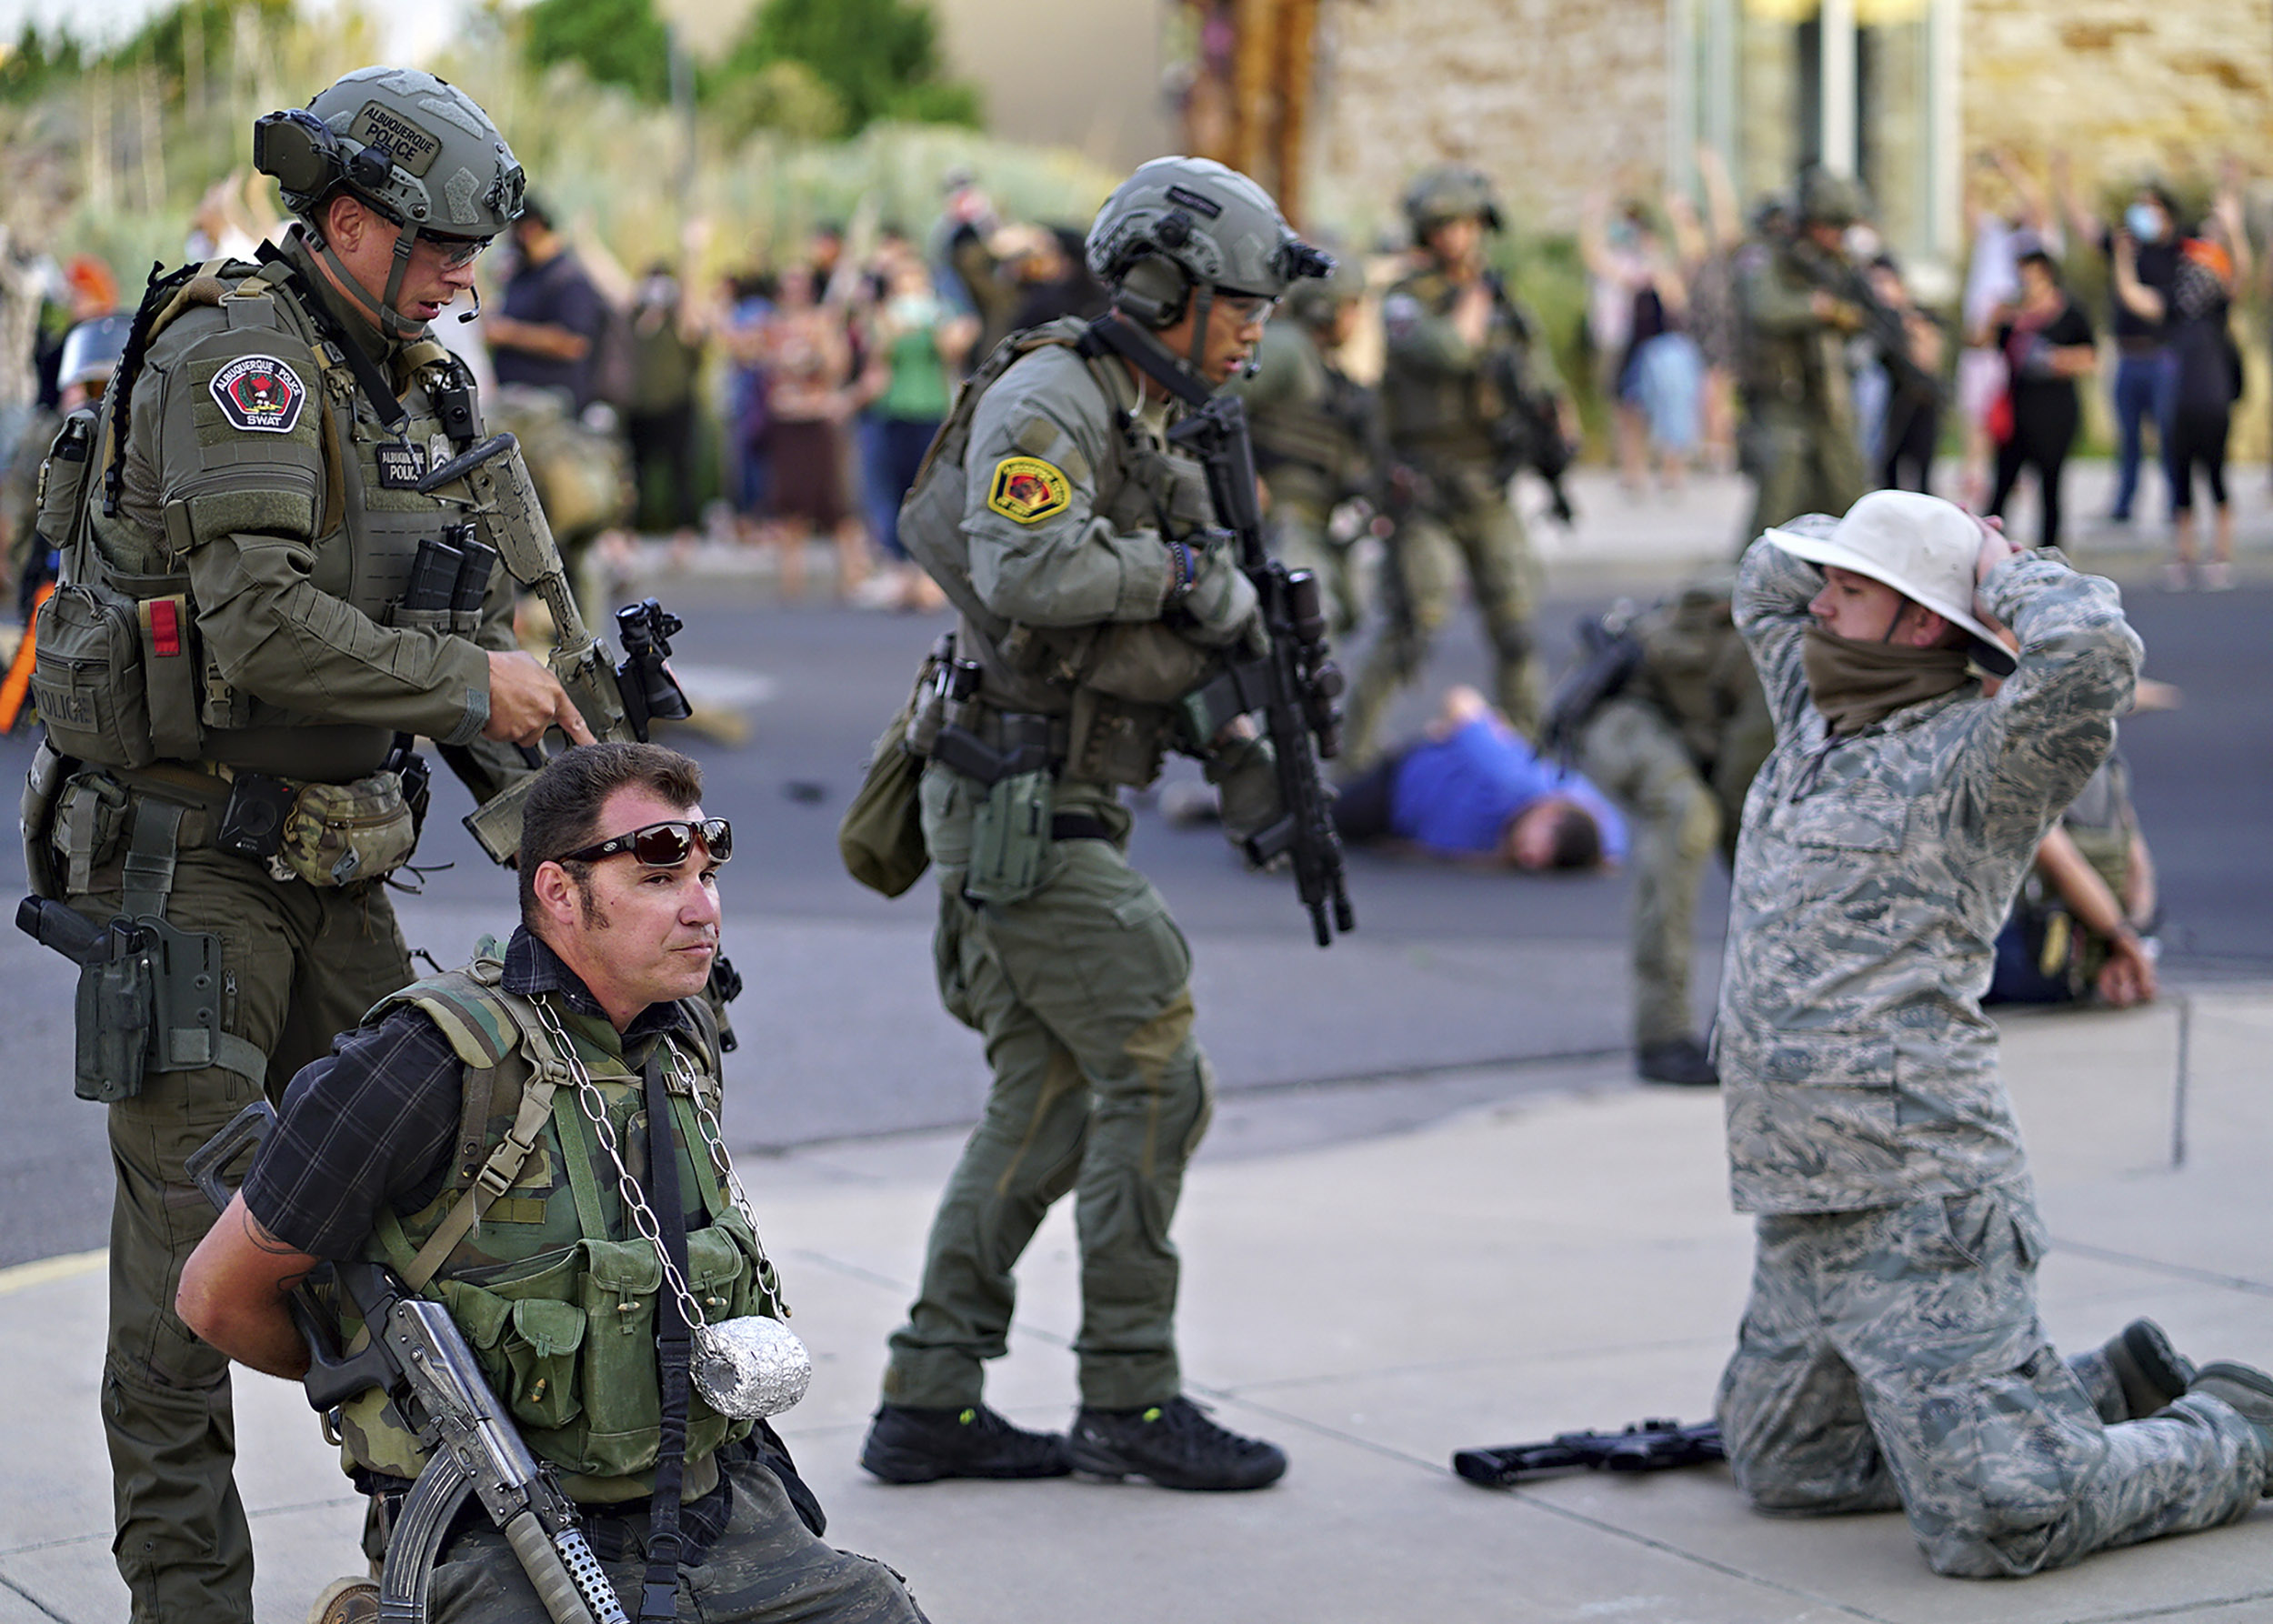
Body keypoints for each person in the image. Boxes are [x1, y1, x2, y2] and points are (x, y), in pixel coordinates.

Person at [25, 66, 593, 1624]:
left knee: (431, 1224)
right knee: (185, 1296)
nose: (467, 279)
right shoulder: (244, 360)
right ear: (350, 222)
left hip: (337, 868)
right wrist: (481, 681)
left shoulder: (407, 383)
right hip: (185, 875)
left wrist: (594, 817)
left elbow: (472, 631)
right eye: (441, 248)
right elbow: (262, 628)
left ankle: (436, 1583)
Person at [177, 743, 927, 1624]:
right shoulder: (425, 1064)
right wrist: (392, 1391)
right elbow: (218, 1296)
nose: (702, 908)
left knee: (873, 1606)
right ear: (559, 893)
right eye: (657, 879)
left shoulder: (674, 1044)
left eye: (706, 874)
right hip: (493, 1521)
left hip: (708, 1506)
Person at [860, 155, 1320, 1492]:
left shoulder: (1145, 409)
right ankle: (1131, 1396)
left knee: (1051, 1100)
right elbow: (1027, 567)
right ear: (1167, 287)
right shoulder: (1058, 394)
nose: (1253, 327)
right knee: (1159, 1075)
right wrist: (1189, 577)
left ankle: (929, 1396)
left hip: (1046, 794)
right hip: (1015, 806)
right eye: (1238, 300)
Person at [1714, 487, 2273, 1578]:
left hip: (1920, 1191)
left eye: (1851, 590)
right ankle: (2092, 1386)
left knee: (2001, 1515)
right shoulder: (1813, 713)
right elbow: (1760, 579)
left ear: (1923, 624)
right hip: (1796, 1190)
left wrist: (1990, 563)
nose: (1820, 604)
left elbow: (2093, 653)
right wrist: (1880, 541)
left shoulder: (1982, 759)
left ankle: (2235, 1432)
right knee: (1790, 1466)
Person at [1344, 164, 1573, 763]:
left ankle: (1527, 755)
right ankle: (1352, 756)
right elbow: (1448, 350)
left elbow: (1539, 378)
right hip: (1424, 488)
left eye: (1466, 225)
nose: (1456, 238)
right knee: (1413, 624)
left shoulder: (1506, 306)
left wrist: (1556, 424)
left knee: (1518, 628)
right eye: (1442, 226)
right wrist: (1473, 304)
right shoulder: (1405, 302)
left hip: (1489, 487)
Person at [1555, 572, 1770, 1086]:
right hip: (1625, 712)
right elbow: (1742, 796)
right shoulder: (1792, 641)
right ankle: (1663, 1035)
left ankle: (1750, 1027)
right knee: (1688, 817)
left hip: (1696, 725)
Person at [1225, 246, 1376, 635]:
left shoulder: (1323, 367)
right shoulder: (1286, 348)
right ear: (1324, 309)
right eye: (1352, 305)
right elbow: (1209, 406)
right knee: (1307, 637)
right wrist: (1242, 480)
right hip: (1282, 524)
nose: (1358, 318)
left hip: (1315, 523)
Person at [1331, 684, 1623, 870]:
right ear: (1550, 812)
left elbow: (1610, 847)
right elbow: (1462, 699)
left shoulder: (1601, 833)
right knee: (1326, 822)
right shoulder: (1507, 774)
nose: (1528, 860)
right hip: (1401, 789)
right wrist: (1456, 725)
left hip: (1414, 836)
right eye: (1536, 848)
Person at [1735, 165, 1872, 543]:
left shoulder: (1836, 264)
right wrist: (1818, 308)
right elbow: (1766, 307)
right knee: (1779, 502)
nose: (1836, 237)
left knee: (1848, 497)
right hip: (1781, 400)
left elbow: (1861, 313)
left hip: (1828, 399)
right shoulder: (1767, 255)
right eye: (1828, 226)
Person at [2118, 198, 2250, 590]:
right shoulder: (2173, 306)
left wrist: (2233, 230)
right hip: (2178, 401)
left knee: (2215, 476)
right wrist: (2123, 258)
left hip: (2213, 399)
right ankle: (2184, 554)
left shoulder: (2217, 308)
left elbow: (2239, 273)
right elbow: (2133, 296)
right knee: (2180, 480)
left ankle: (2220, 555)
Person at [2056, 163, 2182, 528]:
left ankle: (2177, 503)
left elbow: (2143, 300)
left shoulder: (2173, 254)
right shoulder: (2125, 246)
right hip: (2127, 355)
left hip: (2160, 355)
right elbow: (2086, 228)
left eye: (2150, 206)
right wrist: (2065, 185)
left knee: (2167, 435)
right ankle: (2124, 503)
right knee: (2127, 438)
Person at [1988, 755, 2159, 1008]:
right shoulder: (2110, 766)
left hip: (2043, 954)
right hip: (2096, 954)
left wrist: (2122, 940)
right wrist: (2133, 938)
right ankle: (2112, 973)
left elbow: (2063, 864)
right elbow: (2139, 866)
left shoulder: (2030, 758)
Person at [1985, 249, 2096, 547]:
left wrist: (2057, 360)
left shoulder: (2069, 312)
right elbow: (1981, 343)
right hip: (2016, 411)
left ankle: (2050, 552)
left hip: (2054, 411)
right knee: (2002, 485)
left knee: (2050, 486)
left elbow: (2091, 357)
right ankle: (1990, 548)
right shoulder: (2011, 315)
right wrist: (1994, 317)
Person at [486, 196, 612, 412]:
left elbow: (574, 343)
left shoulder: (568, 278)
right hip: (515, 403)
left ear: (531, 228)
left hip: (551, 409)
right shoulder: (523, 274)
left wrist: (509, 333)